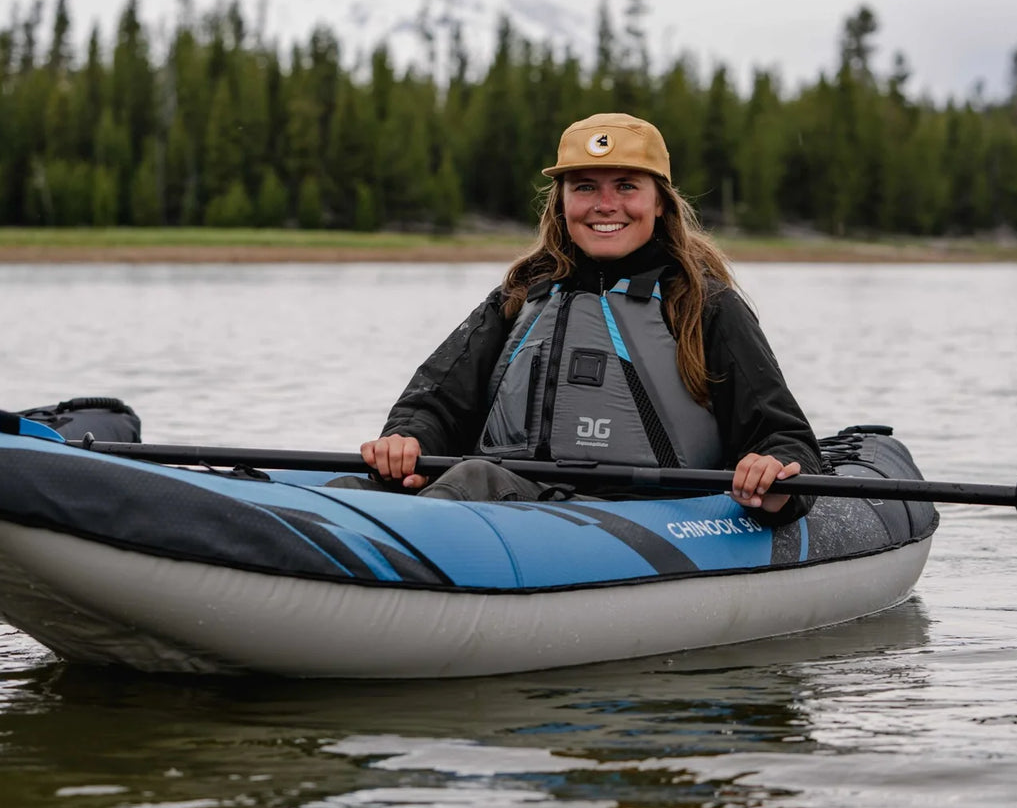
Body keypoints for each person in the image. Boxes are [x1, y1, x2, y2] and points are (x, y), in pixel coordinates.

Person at [349, 112, 820, 525]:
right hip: (510, 506)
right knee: (353, 490)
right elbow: (434, 406)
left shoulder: (705, 305)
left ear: (659, 202)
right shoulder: (517, 297)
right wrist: (407, 439)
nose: (605, 205)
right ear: (562, 202)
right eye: (585, 187)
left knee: (475, 476)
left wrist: (774, 470)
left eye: (627, 186)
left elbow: (785, 437)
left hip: (644, 515)